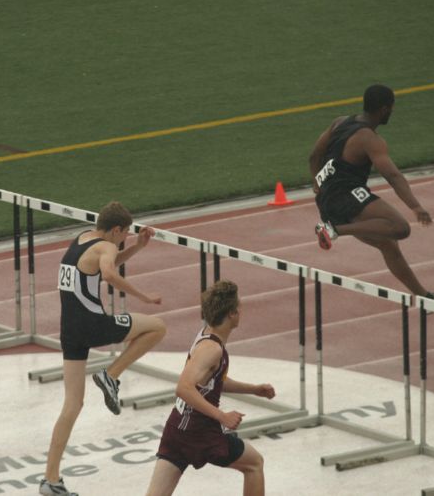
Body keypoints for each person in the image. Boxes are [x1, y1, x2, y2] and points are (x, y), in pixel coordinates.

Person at [40, 201, 167, 496]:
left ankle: (51, 480)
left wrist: (138, 247)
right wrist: (144, 296)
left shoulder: (83, 238)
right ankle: (111, 375)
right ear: (116, 229)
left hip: (69, 332)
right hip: (93, 325)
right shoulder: (106, 248)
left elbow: (105, 262)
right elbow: (108, 273)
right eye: (124, 236)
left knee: (72, 405)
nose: (123, 240)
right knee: (157, 326)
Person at [309, 84, 434, 304]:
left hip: (326, 201)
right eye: (392, 108)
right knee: (400, 228)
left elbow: (314, 156)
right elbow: (393, 176)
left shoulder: (339, 122)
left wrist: (317, 184)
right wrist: (415, 207)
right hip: (345, 197)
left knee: (388, 244)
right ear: (385, 109)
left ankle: (425, 298)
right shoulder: (370, 139)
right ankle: (334, 230)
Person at [145, 280, 275, 496]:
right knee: (254, 464)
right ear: (232, 314)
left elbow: (213, 382)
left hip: (177, 428)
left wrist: (254, 389)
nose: (242, 311)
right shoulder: (211, 349)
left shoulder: (206, 334)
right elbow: (184, 388)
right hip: (200, 432)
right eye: (239, 307)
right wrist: (222, 416)